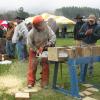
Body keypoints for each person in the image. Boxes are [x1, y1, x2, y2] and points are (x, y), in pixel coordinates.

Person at [27, 15, 56, 88]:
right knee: (32, 66)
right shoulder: (31, 33)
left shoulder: (47, 28)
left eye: (43, 23)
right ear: (36, 26)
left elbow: (53, 36)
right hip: (34, 49)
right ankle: (30, 82)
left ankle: (44, 83)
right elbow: (29, 44)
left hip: (44, 48)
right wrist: (36, 50)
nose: (43, 25)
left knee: (45, 65)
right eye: (41, 24)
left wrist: (49, 43)